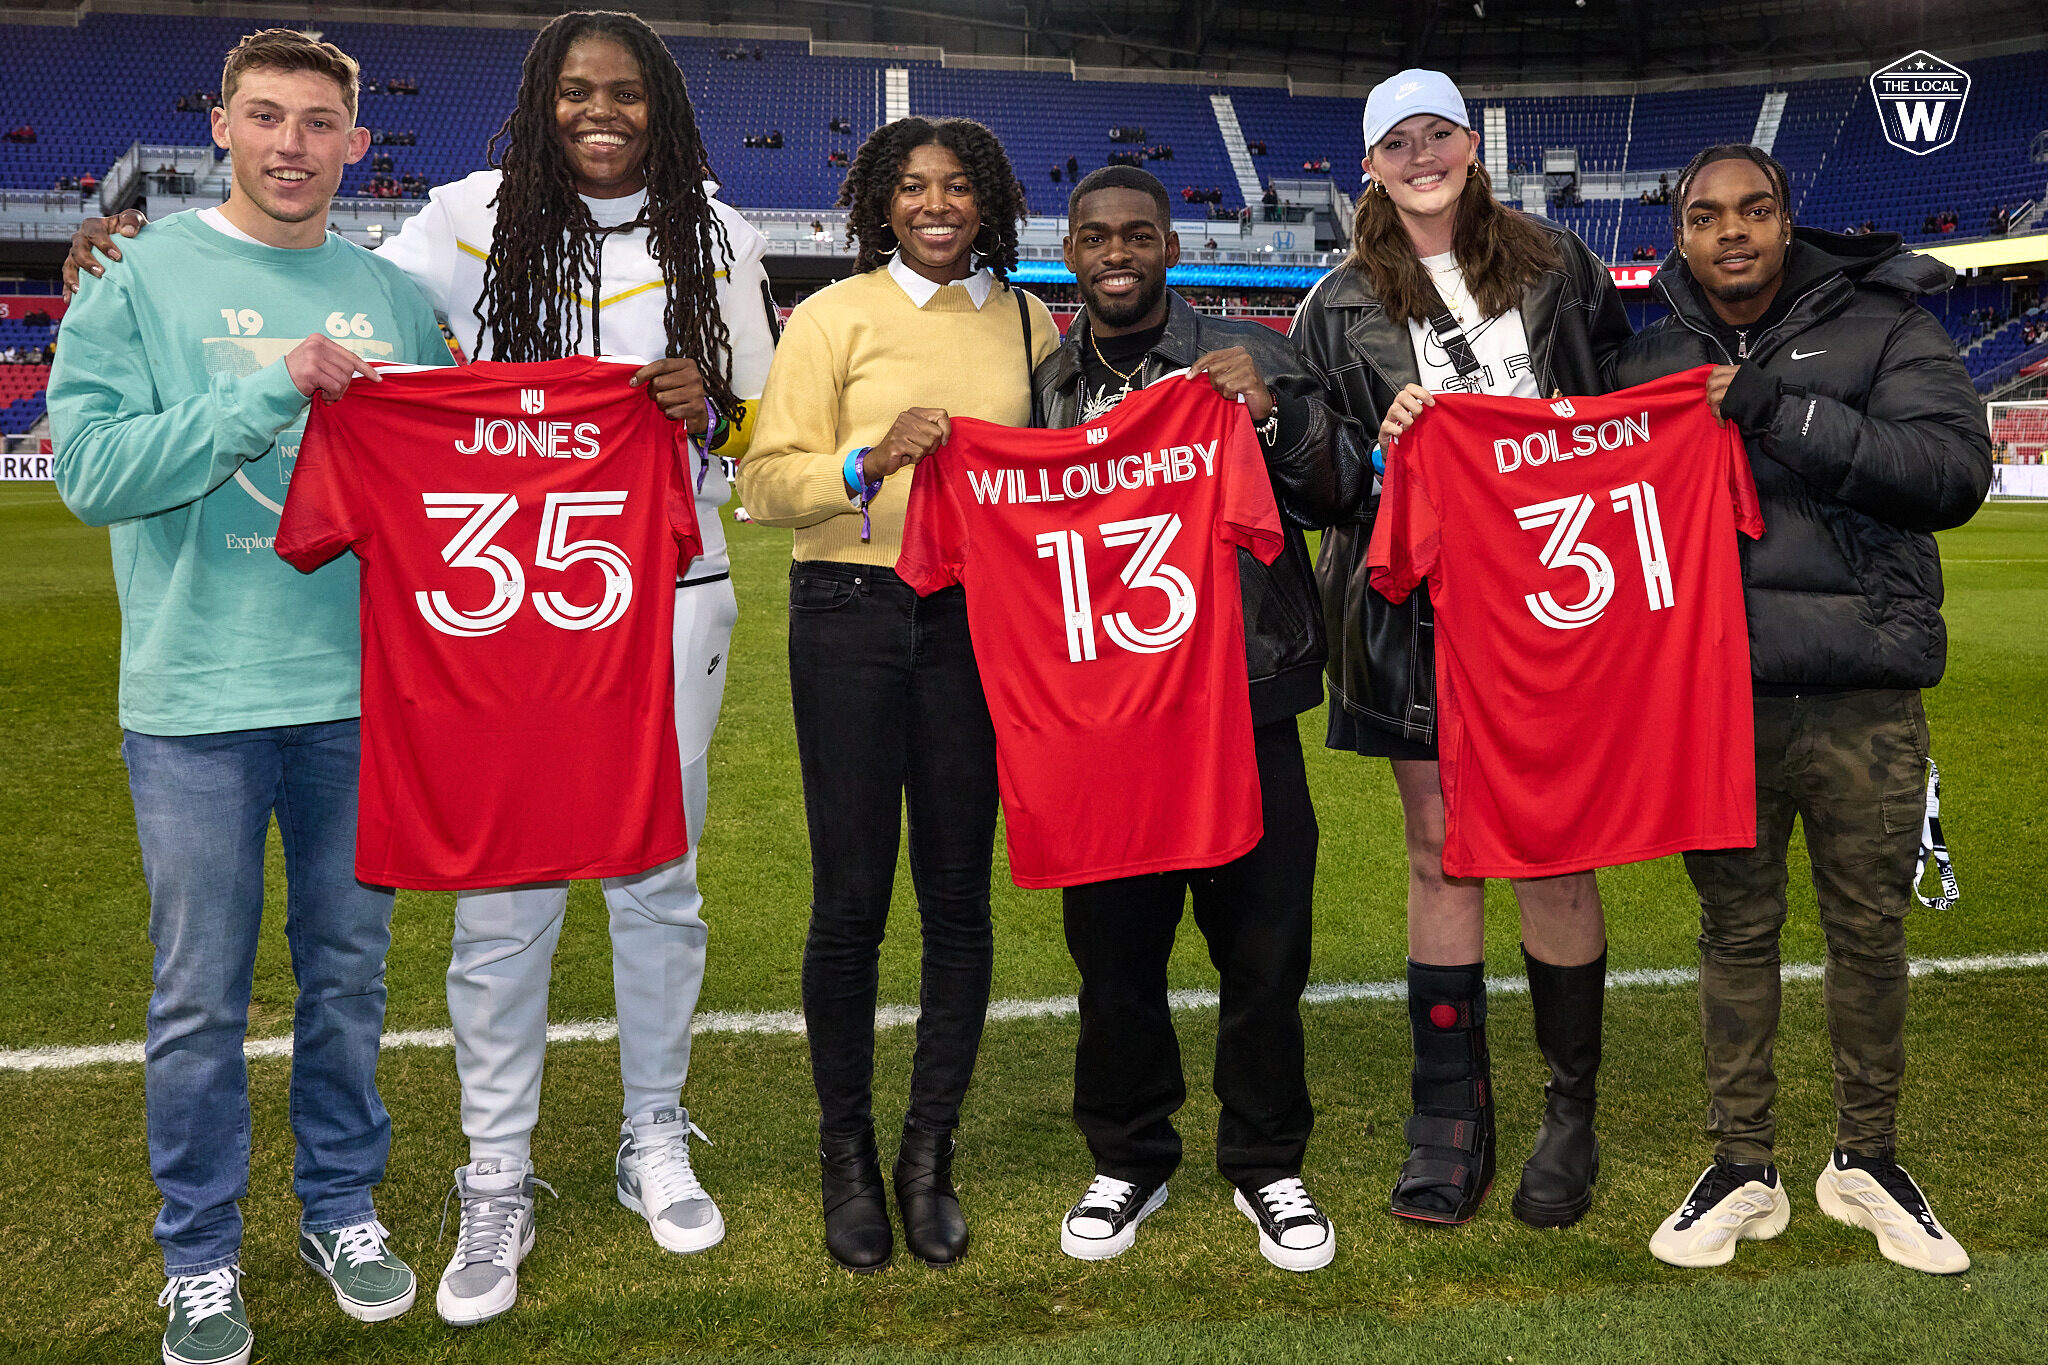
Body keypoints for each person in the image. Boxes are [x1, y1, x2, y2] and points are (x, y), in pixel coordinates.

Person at [70, 7, 775, 1327]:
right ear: (537, 101)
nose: (602, 111)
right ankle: (493, 1168)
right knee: (504, 886)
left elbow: (759, 415)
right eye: (576, 91)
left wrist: (711, 411)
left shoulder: (722, 236)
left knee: (655, 876)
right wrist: (131, 263)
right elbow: (328, 293)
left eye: (626, 92)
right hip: (499, 608)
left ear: (660, 105)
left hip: (672, 593)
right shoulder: (458, 222)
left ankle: (654, 1134)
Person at [48, 29, 450, 1365]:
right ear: (218, 126)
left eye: (319, 121)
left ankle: (340, 1207)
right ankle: (201, 1254)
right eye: (266, 116)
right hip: (196, 700)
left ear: (356, 144)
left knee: (347, 982)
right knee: (198, 997)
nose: (292, 143)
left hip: (358, 700)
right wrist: (263, 393)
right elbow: (93, 474)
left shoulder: (391, 299)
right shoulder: (141, 276)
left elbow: (446, 489)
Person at [1614, 144, 1990, 1276]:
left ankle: (1863, 1160)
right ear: (1678, 236)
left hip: (1859, 694)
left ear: (1784, 222)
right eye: (1704, 216)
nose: (1729, 232)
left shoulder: (1883, 324)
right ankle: (1742, 1166)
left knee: (1866, 935)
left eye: (1751, 211)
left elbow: (1947, 475)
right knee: (1731, 934)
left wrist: (1778, 408)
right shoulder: (1646, 356)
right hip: (1713, 703)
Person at [1292, 68, 1630, 1232]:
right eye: (1398, 141)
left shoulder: (1558, 267)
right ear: (1371, 166)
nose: (1422, 155)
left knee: (1551, 852)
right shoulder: (1333, 304)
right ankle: (1447, 1118)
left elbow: (1628, 401)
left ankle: (1565, 1116)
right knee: (1438, 852)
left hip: (1553, 596)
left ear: (1472, 146)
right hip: (1407, 610)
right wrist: (1370, 440)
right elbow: (1313, 476)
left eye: (1439, 134)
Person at [1031, 165, 1368, 1271]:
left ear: (1168, 246)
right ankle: (1128, 1158)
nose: (1116, 252)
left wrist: (1269, 418)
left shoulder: (1251, 354)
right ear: (1069, 250)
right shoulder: (1047, 379)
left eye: (1136, 234)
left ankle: (1266, 1161)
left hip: (1241, 700)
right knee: (1113, 956)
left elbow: (1339, 492)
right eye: (1095, 236)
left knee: (1263, 952)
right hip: (1110, 721)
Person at [739, 116, 1058, 1274]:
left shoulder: (1029, 321)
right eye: (913, 187)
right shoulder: (831, 316)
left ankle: (928, 1157)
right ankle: (847, 1158)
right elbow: (767, 486)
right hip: (850, 618)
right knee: (851, 902)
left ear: (987, 203)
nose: (936, 203)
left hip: (981, 623)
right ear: (879, 203)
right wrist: (871, 461)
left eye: (958, 186)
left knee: (958, 900)